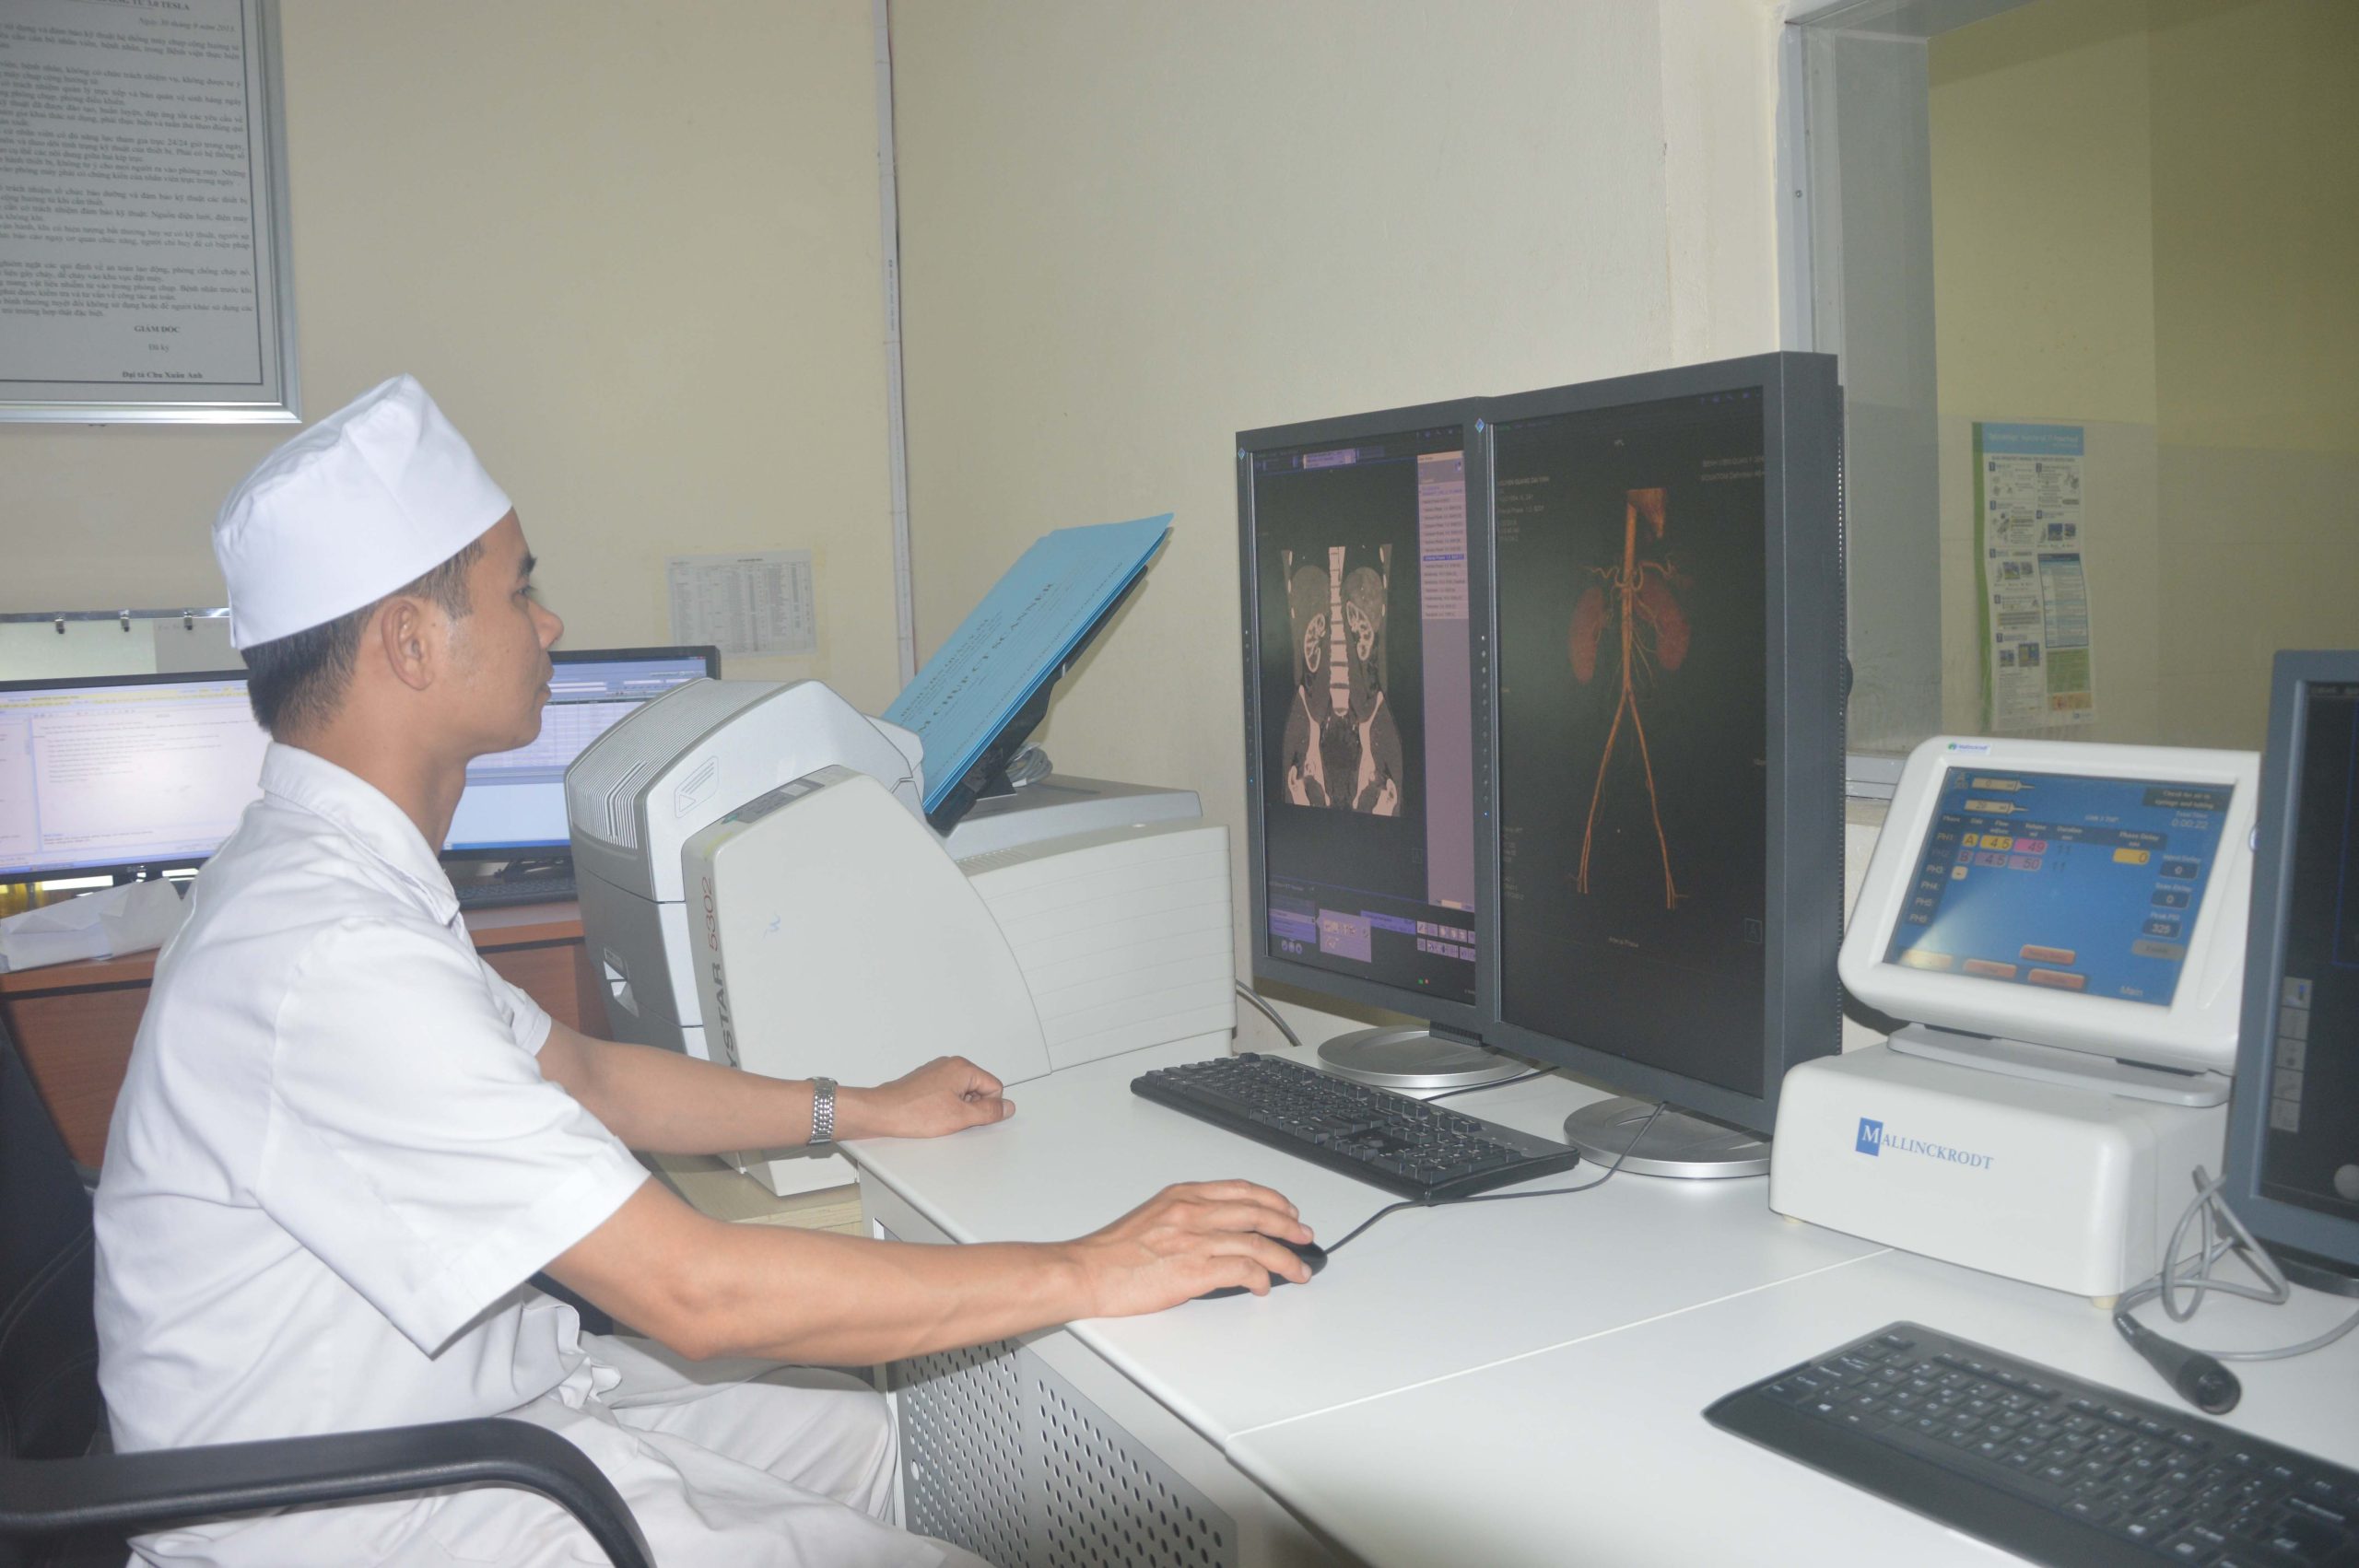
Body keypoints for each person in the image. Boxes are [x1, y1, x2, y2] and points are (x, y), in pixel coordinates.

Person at [92, 375, 1312, 1567]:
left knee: (905, 1449)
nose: (547, 623)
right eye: (519, 591)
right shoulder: (328, 958)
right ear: (411, 643)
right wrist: (1093, 1265)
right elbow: (696, 1294)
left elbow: (586, 1077)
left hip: (478, 1413)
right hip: (363, 1511)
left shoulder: (331, 877)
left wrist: (860, 1107)